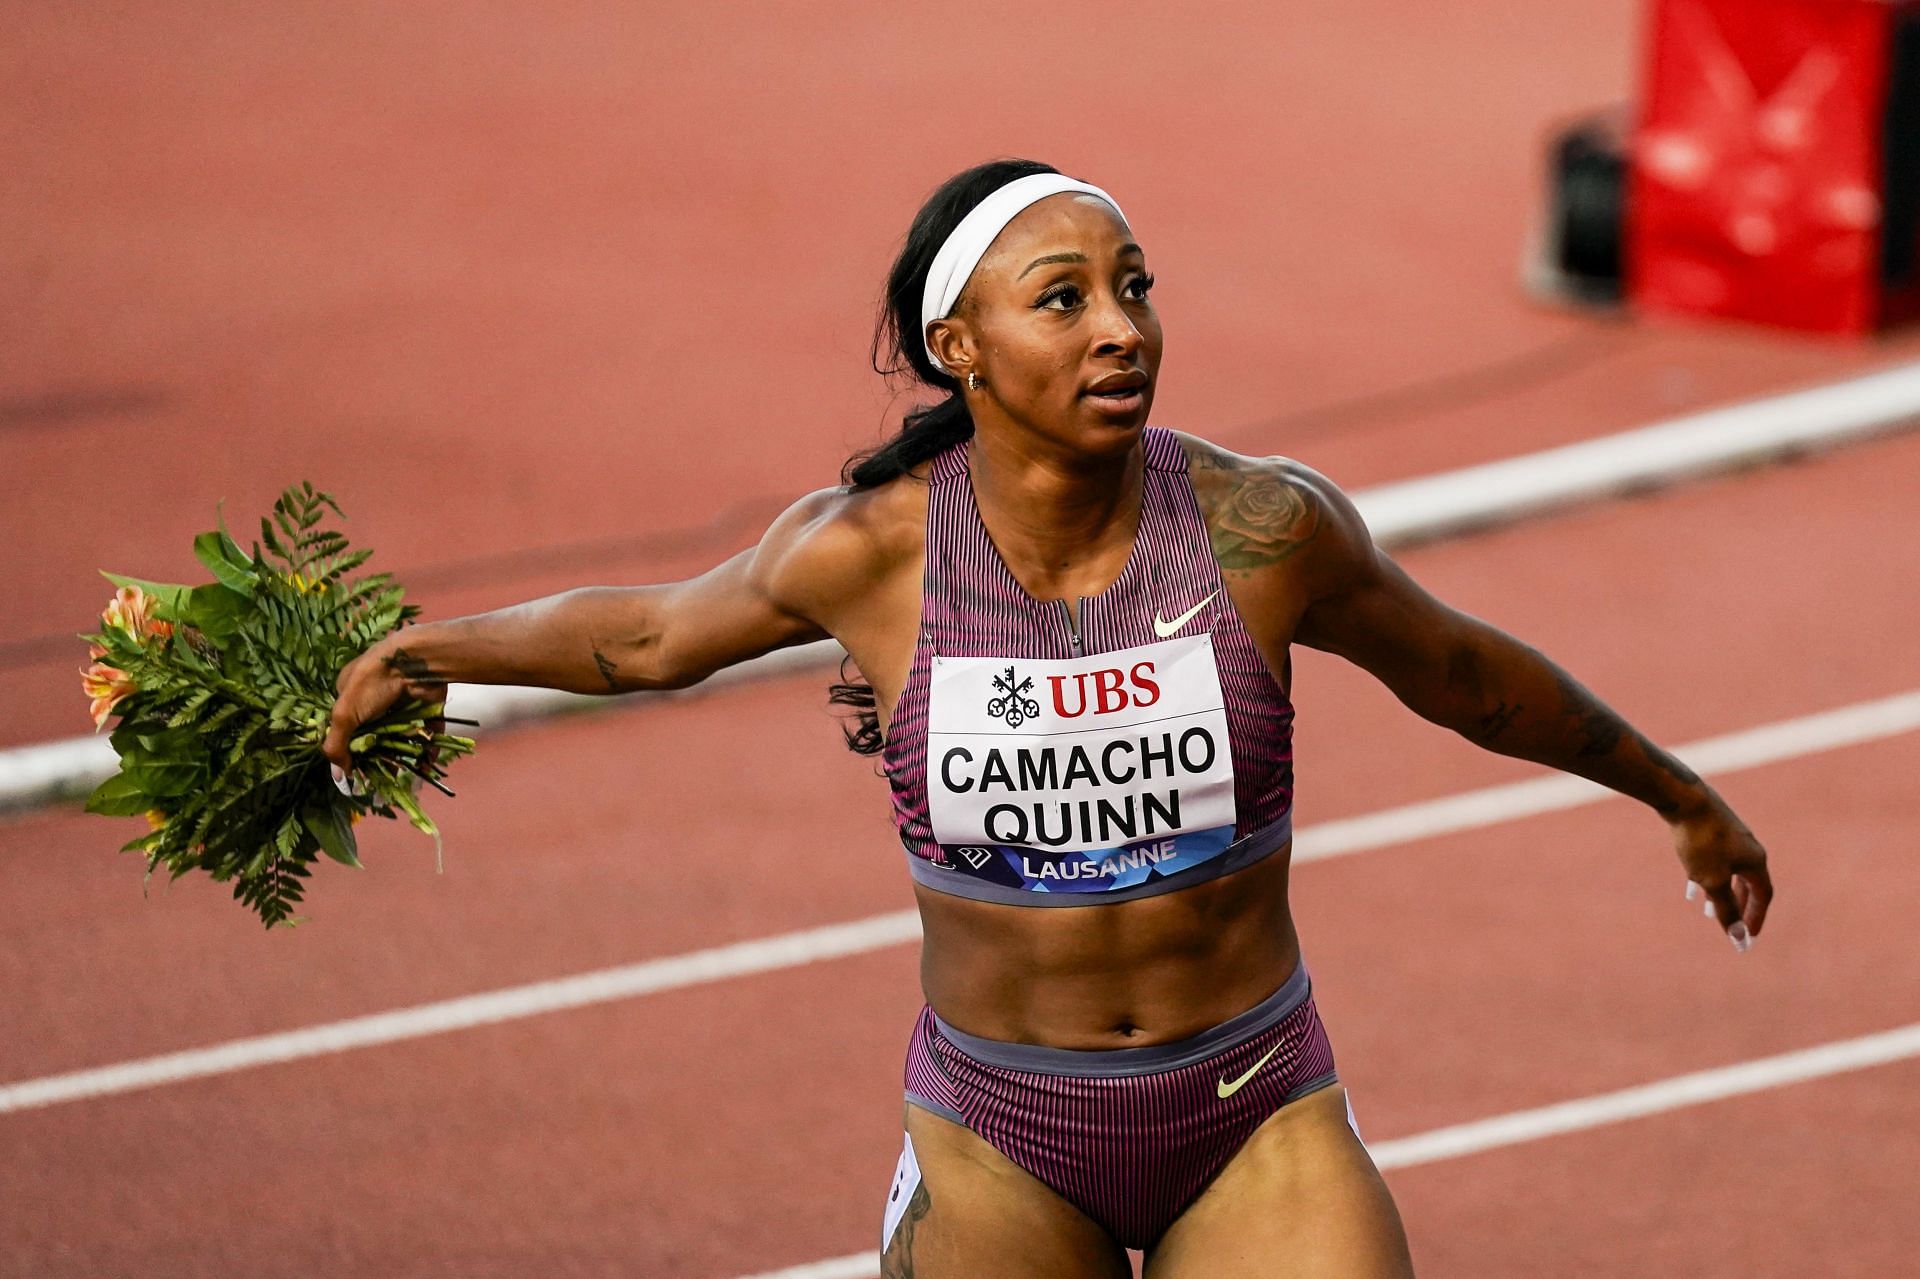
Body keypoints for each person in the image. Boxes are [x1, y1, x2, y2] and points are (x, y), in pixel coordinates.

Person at [323, 158, 1774, 1277]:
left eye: (1135, 288)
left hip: (1253, 1105)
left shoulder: (1263, 531)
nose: (1120, 329)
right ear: (960, 343)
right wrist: (437, 648)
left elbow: (1468, 678)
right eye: (1064, 298)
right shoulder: (873, 553)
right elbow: (645, 635)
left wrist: (1676, 792)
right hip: (1002, 1136)